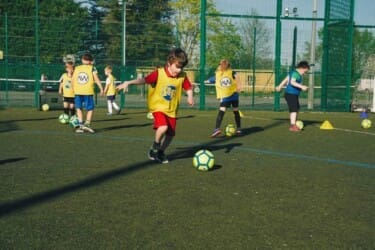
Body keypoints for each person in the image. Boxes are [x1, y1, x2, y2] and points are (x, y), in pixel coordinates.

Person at [116, 48, 194, 164]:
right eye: (177, 67)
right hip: (158, 107)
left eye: (181, 68)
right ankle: (156, 145)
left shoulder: (182, 76)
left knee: (170, 135)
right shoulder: (159, 73)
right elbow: (144, 80)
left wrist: (190, 96)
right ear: (169, 63)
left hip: (172, 110)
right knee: (163, 127)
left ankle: (160, 152)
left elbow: (188, 87)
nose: (179, 70)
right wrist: (129, 82)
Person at [205, 59, 242, 137]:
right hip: (234, 95)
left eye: (219, 65)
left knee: (221, 111)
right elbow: (237, 77)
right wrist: (239, 86)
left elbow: (208, 81)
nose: (218, 66)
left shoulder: (218, 74)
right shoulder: (232, 72)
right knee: (236, 111)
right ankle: (239, 129)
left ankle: (217, 129)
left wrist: (202, 82)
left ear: (221, 66)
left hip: (226, 96)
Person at [71, 53, 104, 133]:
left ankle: (81, 125)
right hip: (88, 91)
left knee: (78, 108)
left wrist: (73, 89)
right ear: (90, 61)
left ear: (82, 60)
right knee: (90, 108)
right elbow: (96, 79)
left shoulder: (77, 68)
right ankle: (87, 124)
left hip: (78, 91)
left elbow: (73, 80)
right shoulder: (92, 68)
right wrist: (101, 88)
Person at [275, 60, 310, 132]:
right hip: (290, 94)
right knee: (294, 109)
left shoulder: (293, 73)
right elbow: (292, 82)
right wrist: (302, 86)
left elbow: (286, 79)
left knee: (296, 108)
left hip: (292, 94)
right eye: (305, 71)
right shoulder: (296, 74)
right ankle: (293, 126)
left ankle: (293, 123)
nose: (304, 73)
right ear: (302, 68)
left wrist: (280, 86)